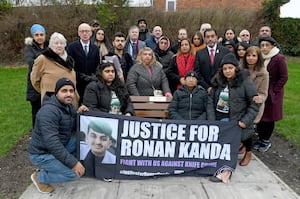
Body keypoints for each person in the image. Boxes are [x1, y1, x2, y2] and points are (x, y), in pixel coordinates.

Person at [28, 78, 88, 194]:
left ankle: (53, 166)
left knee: (82, 141)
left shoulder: (68, 106)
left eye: (71, 91)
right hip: (42, 153)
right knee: (74, 174)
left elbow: (71, 125)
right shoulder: (48, 111)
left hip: (60, 144)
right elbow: (52, 142)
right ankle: (40, 177)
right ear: (57, 92)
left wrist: (79, 114)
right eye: (64, 91)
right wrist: (73, 163)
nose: (69, 94)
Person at [207, 53, 259, 183]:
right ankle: (214, 166)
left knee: (229, 147)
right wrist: (212, 120)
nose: (227, 71)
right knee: (218, 146)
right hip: (219, 119)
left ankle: (225, 173)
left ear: (236, 68)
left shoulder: (245, 82)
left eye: (230, 68)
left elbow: (254, 104)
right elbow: (210, 102)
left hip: (235, 121)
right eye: (225, 69)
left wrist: (245, 121)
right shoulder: (218, 82)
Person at [253, 36, 288, 152]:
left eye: (267, 45)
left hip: (272, 93)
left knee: (269, 118)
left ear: (272, 46)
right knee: (260, 116)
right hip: (261, 91)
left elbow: (283, 77)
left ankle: (266, 140)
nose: (264, 48)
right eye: (262, 45)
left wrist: (274, 91)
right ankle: (260, 138)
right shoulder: (260, 58)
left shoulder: (279, 58)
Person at [31, 32, 79, 106]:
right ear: (51, 45)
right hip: (52, 101)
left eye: (61, 43)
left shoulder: (69, 60)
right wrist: (46, 91)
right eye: (56, 43)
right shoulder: (42, 59)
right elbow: (35, 80)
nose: (59, 45)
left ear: (65, 45)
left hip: (71, 101)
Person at [240, 46, 269, 166]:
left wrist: (259, 98)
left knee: (248, 128)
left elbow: (263, 93)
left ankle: (248, 152)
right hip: (241, 103)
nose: (251, 58)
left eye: (254, 56)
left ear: (258, 58)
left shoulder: (263, 73)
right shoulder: (240, 69)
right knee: (240, 126)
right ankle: (242, 145)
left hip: (254, 105)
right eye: (248, 55)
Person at [67, 23, 100, 104]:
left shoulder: (95, 48)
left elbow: (97, 65)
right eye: (82, 31)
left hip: (91, 82)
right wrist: (81, 76)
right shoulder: (71, 47)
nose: (84, 33)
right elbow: (70, 66)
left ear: (91, 33)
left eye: (87, 31)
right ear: (78, 33)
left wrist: (93, 77)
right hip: (77, 82)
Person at [24, 24, 48, 128]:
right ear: (33, 36)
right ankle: (36, 134)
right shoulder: (30, 48)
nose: (39, 37)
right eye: (36, 35)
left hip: (47, 82)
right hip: (35, 84)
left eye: (41, 34)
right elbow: (31, 62)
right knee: (36, 112)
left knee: (48, 111)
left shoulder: (49, 46)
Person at [194, 28, 230, 93]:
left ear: (216, 37)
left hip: (223, 88)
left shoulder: (225, 51)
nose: (210, 39)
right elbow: (197, 72)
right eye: (207, 37)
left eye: (212, 36)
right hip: (204, 89)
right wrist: (207, 87)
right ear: (204, 39)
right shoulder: (199, 53)